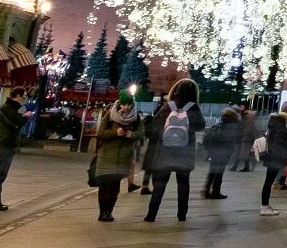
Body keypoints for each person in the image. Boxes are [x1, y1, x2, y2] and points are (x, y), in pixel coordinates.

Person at [140, 77, 206, 223]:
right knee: (183, 184)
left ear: (176, 91)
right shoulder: (193, 107)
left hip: (165, 152)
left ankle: (151, 215)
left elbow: (154, 129)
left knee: (160, 184)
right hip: (185, 153)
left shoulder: (167, 107)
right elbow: (201, 125)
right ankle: (181, 215)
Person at [90, 94, 140, 222]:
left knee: (115, 186)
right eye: (124, 104)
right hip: (107, 156)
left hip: (123, 157)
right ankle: (102, 212)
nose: (127, 107)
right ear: (119, 104)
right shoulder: (110, 115)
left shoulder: (136, 117)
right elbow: (100, 133)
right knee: (105, 185)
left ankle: (109, 212)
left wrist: (131, 134)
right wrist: (114, 133)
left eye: (129, 105)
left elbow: (141, 133)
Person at [0, 91, 23, 211]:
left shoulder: (10, 108)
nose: (22, 101)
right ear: (17, 96)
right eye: (22, 98)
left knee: (1, 172)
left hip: (7, 143)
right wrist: (25, 117)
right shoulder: (7, 108)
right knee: (0, 173)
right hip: (5, 143)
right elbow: (16, 123)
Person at [259, 99, 287, 214]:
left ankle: (265, 206)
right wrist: (284, 158)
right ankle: (264, 207)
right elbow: (279, 143)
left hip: (272, 156)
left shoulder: (276, 121)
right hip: (275, 157)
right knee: (269, 182)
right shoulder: (280, 124)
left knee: (268, 181)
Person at [201, 108, 241, 199]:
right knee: (219, 173)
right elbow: (232, 140)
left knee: (212, 172)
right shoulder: (233, 125)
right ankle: (216, 191)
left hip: (213, 151)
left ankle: (206, 190)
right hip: (223, 152)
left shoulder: (219, 124)